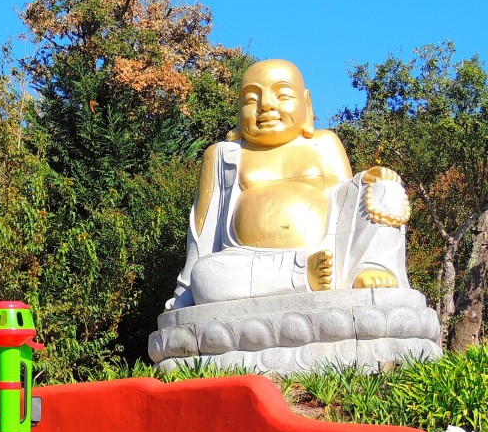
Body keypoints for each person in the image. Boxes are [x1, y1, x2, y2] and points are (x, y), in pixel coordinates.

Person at [167, 59, 411, 309]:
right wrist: (185, 292)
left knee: (386, 188)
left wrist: (367, 182)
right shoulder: (223, 155)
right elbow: (203, 232)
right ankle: (304, 274)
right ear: (239, 111)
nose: (266, 105)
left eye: (282, 95)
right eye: (251, 99)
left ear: (306, 103)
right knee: (206, 275)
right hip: (248, 261)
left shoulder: (324, 143)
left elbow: (346, 205)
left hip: (329, 252)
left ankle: (372, 266)